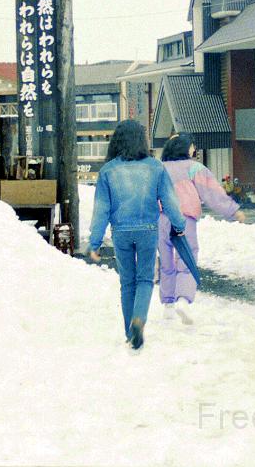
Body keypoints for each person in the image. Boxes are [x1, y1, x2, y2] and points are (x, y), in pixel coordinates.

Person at [88, 120, 187, 350]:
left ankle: (129, 333)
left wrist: (95, 242)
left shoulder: (108, 170)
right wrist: (179, 225)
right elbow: (170, 201)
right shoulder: (155, 167)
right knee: (144, 280)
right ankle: (139, 320)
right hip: (147, 231)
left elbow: (101, 209)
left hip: (121, 232)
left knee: (127, 282)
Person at [157, 134, 245, 324]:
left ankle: (168, 305)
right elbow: (212, 193)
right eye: (192, 146)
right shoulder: (194, 168)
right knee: (186, 259)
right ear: (185, 148)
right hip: (184, 219)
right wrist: (232, 211)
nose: (194, 149)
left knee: (166, 261)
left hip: (161, 219)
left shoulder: (158, 168)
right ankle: (182, 300)